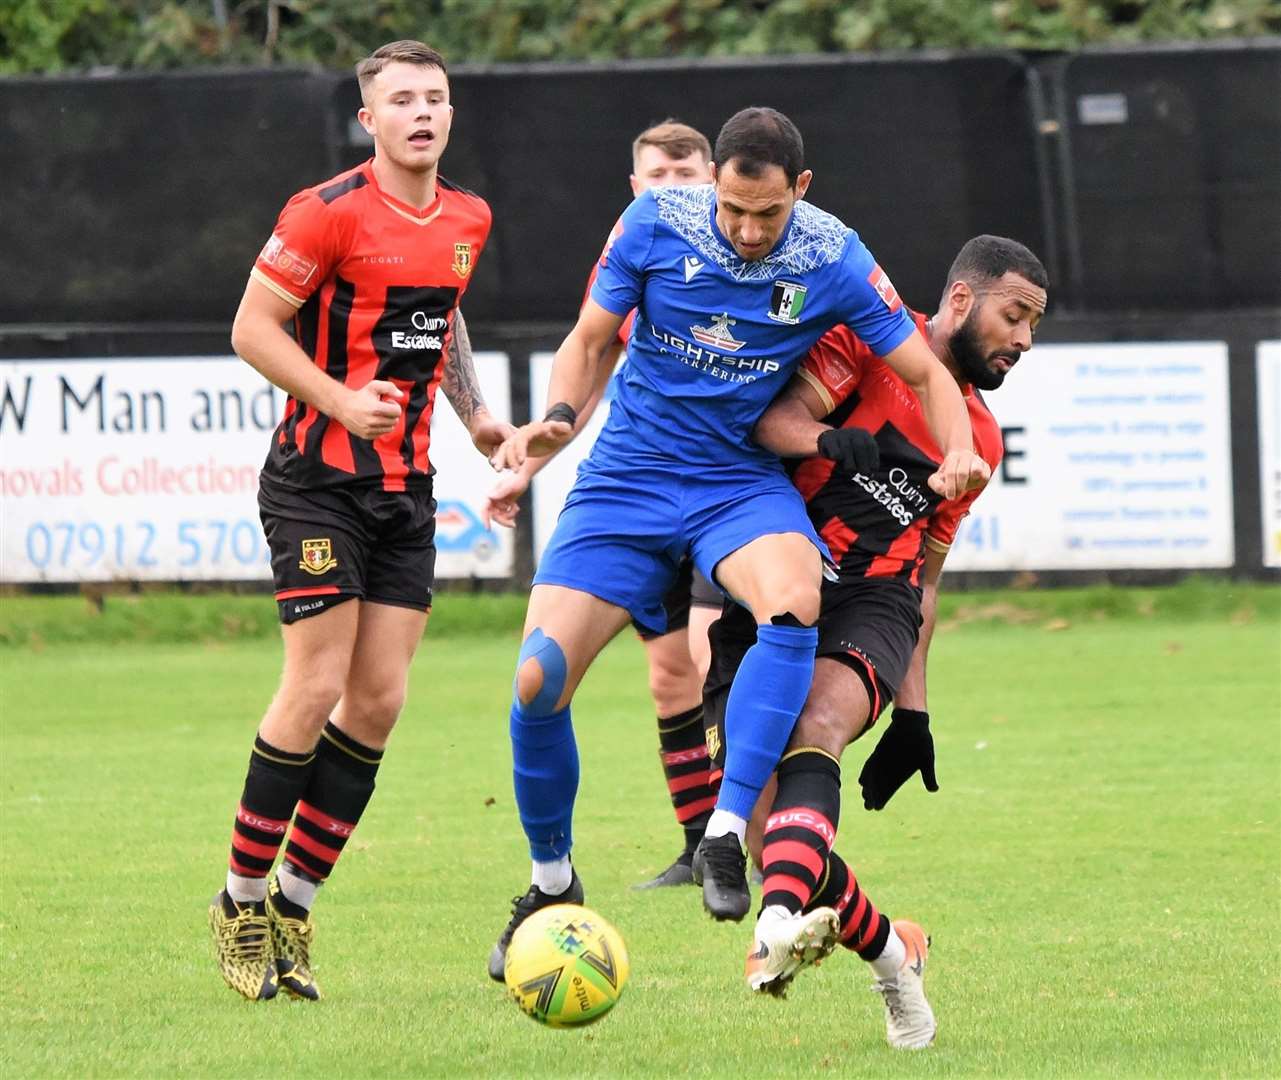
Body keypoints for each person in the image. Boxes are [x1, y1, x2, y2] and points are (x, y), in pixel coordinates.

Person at [485, 105, 991, 983]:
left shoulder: (832, 253)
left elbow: (921, 372)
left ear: (799, 190)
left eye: (767, 212)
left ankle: (721, 834)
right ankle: (549, 881)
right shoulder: (651, 222)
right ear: (711, 184)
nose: (749, 231)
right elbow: (590, 342)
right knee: (536, 680)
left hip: (734, 481)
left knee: (792, 595)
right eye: (732, 210)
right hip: (627, 478)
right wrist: (554, 426)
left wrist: (958, 451)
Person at [208, 40, 508, 1002]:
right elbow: (252, 328)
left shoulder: (468, 216)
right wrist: (339, 400)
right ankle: (238, 899)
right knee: (316, 684)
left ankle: (294, 907)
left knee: (377, 701)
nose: (423, 113)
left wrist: (477, 418)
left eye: (437, 99)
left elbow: (442, 317)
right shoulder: (326, 211)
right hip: (315, 480)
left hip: (404, 489)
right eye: (403, 100)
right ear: (368, 119)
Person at [702, 235, 1048, 1048]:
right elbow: (774, 418)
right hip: (776, 578)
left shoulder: (979, 441)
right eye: (1014, 315)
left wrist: (913, 714)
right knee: (771, 837)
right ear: (960, 301)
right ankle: (895, 952)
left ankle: (778, 923)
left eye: (1034, 323)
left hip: (874, 603)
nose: (1024, 339)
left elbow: (924, 581)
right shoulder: (865, 345)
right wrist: (826, 440)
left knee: (816, 727)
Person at [483, 120, 724, 891]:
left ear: (716, 176)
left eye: (684, 174)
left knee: (712, 661)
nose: (671, 189)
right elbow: (590, 371)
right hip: (646, 491)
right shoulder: (640, 251)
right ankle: (698, 844)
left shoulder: (758, 250)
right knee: (667, 676)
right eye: (656, 177)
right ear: (634, 189)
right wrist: (530, 463)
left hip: (731, 489)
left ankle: (742, 838)